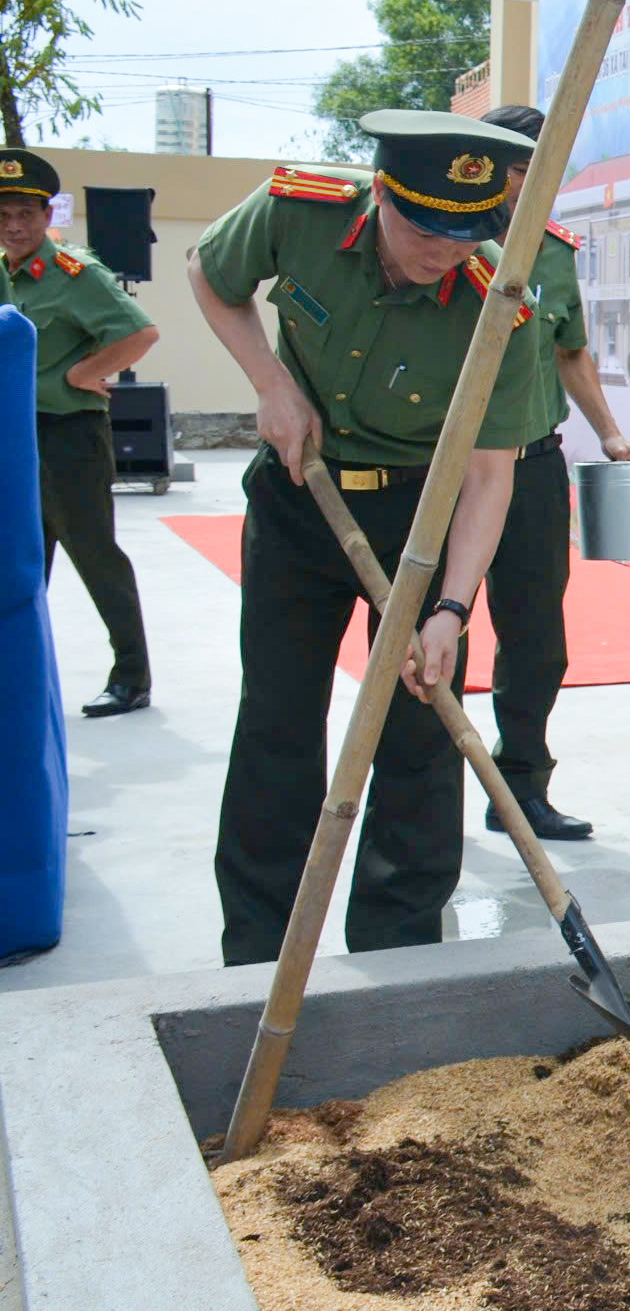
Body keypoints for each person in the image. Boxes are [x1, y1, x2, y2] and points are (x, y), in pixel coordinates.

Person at [190, 110, 549, 964]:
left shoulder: (501, 303)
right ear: (381, 192)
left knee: (421, 725)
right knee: (277, 717)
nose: (443, 250)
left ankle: (397, 944)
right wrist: (271, 382)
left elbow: (491, 476)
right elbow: (211, 275)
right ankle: (259, 944)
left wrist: (452, 610)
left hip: (418, 516)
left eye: (466, 233)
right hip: (298, 492)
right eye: (424, 226)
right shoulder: (299, 210)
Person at [470, 106, 630, 841]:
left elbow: (570, 352)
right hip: (441, 471)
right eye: (518, 168)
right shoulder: (447, 242)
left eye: (543, 167)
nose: (531, 182)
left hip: (533, 465)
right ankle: (416, 805)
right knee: (428, 638)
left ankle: (520, 790)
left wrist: (609, 433)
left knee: (537, 640)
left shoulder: (552, 251)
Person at [0, 149, 157, 717]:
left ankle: (132, 676)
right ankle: (17, 674)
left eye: (25, 213)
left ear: (47, 215)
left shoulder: (75, 273)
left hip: (69, 436)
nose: (14, 226)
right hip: (13, 436)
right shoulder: (1, 270)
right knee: (19, 558)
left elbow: (140, 333)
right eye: (3, 216)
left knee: (94, 556)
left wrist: (82, 373)